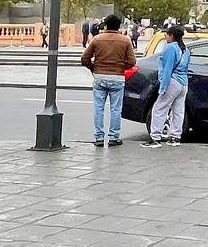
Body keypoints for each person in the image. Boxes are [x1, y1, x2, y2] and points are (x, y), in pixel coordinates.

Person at [81, 14, 135, 147]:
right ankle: (114, 137)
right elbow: (132, 61)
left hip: (100, 76)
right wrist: (121, 67)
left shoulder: (97, 39)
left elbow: (84, 58)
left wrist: (93, 67)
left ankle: (99, 137)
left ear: (105, 26)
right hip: (117, 77)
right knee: (116, 109)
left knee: (98, 108)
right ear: (119, 26)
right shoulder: (125, 40)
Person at [148, 23, 191, 148]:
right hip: (183, 83)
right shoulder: (185, 49)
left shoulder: (170, 48)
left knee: (159, 109)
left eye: (166, 35)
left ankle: (155, 138)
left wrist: (163, 87)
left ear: (171, 36)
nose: (165, 37)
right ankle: (175, 137)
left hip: (172, 81)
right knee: (178, 111)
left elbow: (167, 69)